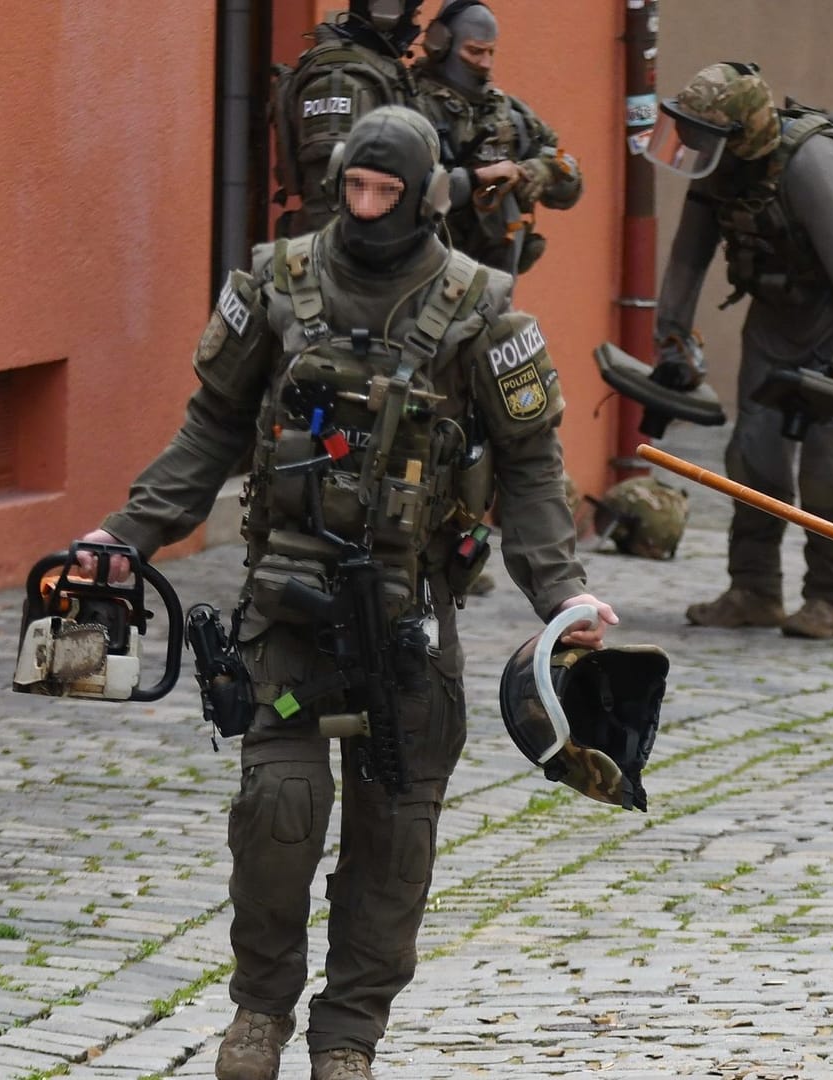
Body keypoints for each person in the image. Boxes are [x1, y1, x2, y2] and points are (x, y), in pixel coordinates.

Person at [74, 107, 616, 1079]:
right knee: (277, 814)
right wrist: (125, 537)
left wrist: (564, 598)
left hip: (409, 621)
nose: (366, 209)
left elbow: (533, 470)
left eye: (385, 193)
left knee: (396, 833)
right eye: (353, 189)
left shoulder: (482, 308)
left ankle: (349, 1036)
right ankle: (258, 1015)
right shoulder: (276, 285)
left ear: (422, 197)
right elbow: (207, 430)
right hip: (285, 614)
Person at [647, 61, 833, 641]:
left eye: (706, 133)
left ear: (743, 134)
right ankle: (753, 589)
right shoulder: (718, 166)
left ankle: (829, 599)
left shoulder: (810, 164)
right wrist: (673, 338)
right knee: (753, 457)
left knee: (828, 471)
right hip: (774, 321)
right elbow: (687, 258)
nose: (693, 145)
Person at [412, 1, 583, 280]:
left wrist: (546, 169)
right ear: (439, 44)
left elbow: (569, 177)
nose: (485, 63)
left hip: (494, 290)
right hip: (424, 282)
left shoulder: (508, 112)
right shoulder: (410, 106)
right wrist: (476, 178)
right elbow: (403, 192)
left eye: (491, 52)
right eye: (474, 52)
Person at [274, 1, 426, 236]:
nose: (416, 25)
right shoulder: (340, 79)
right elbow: (328, 204)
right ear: (387, 11)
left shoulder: (379, 70)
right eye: (413, 14)